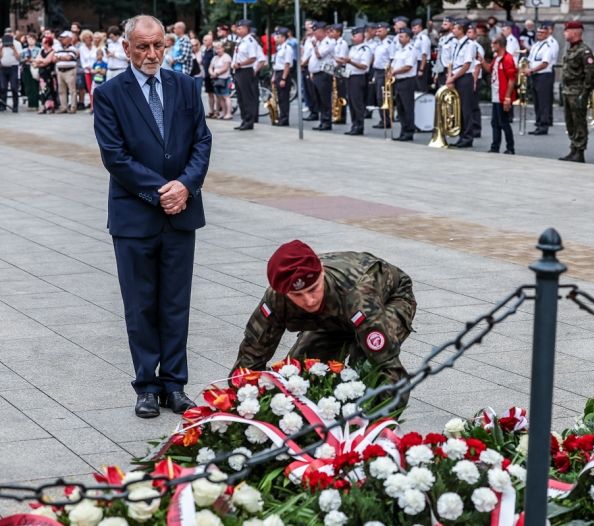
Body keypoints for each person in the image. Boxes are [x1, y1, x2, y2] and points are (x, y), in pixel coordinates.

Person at [92, 14, 212, 419]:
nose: (151, 53)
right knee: (140, 305)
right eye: (142, 46)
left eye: (158, 45)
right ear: (126, 48)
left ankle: (174, 385)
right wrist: (163, 191)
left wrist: (187, 186)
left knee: (175, 303)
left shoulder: (186, 86)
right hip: (134, 218)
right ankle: (146, 385)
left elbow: (202, 141)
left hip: (182, 213)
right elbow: (115, 156)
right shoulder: (110, 93)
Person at [232, 240, 416, 406]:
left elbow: (388, 371)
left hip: (390, 298)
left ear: (321, 271)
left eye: (313, 289)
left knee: (365, 364)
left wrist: (375, 430)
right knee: (299, 374)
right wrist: (245, 412)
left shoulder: (357, 293)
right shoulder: (276, 299)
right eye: (297, 295)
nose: (309, 300)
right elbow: (249, 360)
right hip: (335, 317)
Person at [558, 21, 594, 163]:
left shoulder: (584, 51)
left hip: (578, 91)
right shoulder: (571, 49)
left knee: (579, 122)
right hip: (568, 91)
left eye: (566, 31)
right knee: (570, 122)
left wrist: (584, 93)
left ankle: (580, 151)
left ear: (574, 32)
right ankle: (573, 147)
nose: (564, 33)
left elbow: (589, 74)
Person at [482, 35, 516, 154]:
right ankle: (495, 146)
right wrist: (482, 60)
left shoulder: (507, 59)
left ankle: (510, 148)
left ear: (499, 45)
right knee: (495, 122)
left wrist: (507, 97)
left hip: (502, 96)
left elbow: (512, 79)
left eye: (493, 43)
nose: (491, 45)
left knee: (504, 122)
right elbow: (489, 69)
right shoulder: (496, 58)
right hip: (496, 95)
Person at [446, 19, 476, 148]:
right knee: (457, 108)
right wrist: (449, 77)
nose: (453, 30)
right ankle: (461, 135)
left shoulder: (470, 44)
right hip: (455, 76)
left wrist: (453, 77)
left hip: (464, 78)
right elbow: (451, 63)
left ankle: (468, 137)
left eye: (455, 28)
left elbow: (466, 65)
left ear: (462, 30)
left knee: (466, 109)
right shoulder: (455, 44)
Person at [339, 26, 371, 135]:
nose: (353, 38)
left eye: (355, 35)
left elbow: (364, 66)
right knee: (351, 103)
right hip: (350, 77)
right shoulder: (352, 48)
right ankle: (354, 124)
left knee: (357, 103)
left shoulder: (365, 49)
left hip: (358, 78)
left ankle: (359, 126)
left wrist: (350, 62)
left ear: (362, 37)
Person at [390, 26, 418, 142]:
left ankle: (409, 132)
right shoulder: (399, 50)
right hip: (398, 80)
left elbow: (408, 66)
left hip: (407, 81)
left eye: (401, 36)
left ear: (408, 38)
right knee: (400, 108)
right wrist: (390, 70)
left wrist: (394, 71)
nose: (399, 39)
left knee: (407, 107)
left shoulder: (411, 50)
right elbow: (394, 63)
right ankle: (403, 130)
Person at [525, 23, 553, 135]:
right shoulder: (536, 45)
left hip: (544, 76)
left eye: (542, 32)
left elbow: (545, 63)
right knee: (537, 101)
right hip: (535, 75)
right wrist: (527, 67)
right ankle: (538, 123)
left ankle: (544, 125)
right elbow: (529, 59)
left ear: (547, 34)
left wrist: (532, 70)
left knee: (543, 102)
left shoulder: (548, 46)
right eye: (538, 32)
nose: (539, 34)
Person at [307, 21, 335, 131]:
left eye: (317, 31)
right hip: (317, 73)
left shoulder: (328, 42)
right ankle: (322, 120)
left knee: (324, 98)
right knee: (318, 98)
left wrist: (314, 46)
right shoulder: (319, 43)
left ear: (323, 32)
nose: (315, 34)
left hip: (324, 73)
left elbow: (319, 56)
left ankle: (327, 121)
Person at [231, 19, 258, 131]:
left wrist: (240, 64)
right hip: (238, 71)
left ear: (246, 29)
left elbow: (253, 58)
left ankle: (249, 121)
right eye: (237, 28)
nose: (237, 30)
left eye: (240, 28)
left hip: (245, 71)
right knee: (241, 98)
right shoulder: (240, 40)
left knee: (247, 98)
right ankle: (244, 120)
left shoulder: (250, 41)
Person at [372, 22, 392, 129]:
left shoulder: (389, 43)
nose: (377, 33)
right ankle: (383, 119)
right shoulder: (378, 44)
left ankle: (386, 119)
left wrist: (389, 72)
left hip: (385, 72)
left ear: (386, 30)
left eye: (380, 31)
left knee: (383, 97)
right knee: (379, 97)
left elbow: (391, 58)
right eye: (377, 31)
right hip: (377, 71)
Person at [272, 27, 293, 126]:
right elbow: (276, 63)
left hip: (283, 73)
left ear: (284, 38)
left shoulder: (287, 48)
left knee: (284, 98)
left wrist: (283, 78)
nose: (276, 38)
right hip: (278, 73)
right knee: (279, 97)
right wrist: (274, 76)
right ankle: (281, 117)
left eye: (278, 36)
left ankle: (284, 119)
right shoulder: (279, 48)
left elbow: (287, 64)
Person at [54, 31, 79, 113]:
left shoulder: (73, 49)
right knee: (61, 90)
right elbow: (53, 59)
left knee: (72, 90)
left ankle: (73, 107)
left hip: (70, 71)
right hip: (60, 71)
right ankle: (63, 107)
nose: (61, 40)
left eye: (64, 38)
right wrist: (62, 57)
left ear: (69, 39)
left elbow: (68, 58)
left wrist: (59, 57)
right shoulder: (58, 48)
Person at [329, 24, 348, 125]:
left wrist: (333, 58)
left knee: (341, 93)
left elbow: (341, 59)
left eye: (333, 31)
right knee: (334, 93)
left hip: (340, 69)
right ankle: (335, 114)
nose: (331, 33)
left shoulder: (343, 43)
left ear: (339, 33)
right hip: (333, 69)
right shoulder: (332, 43)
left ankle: (342, 116)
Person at [0, 27, 22, 112]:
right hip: (3, 68)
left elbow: (19, 58)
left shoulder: (17, 43)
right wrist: (1, 48)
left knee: (14, 87)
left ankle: (15, 106)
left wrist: (13, 48)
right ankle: (2, 105)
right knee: (2, 87)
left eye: (9, 33)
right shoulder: (0, 42)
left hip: (13, 67)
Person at [209, 42, 232, 119]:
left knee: (226, 96)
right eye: (216, 49)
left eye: (219, 48)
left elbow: (225, 68)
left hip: (225, 79)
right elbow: (210, 67)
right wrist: (212, 73)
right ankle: (223, 112)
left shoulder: (226, 57)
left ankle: (229, 113)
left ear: (223, 48)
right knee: (220, 97)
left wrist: (216, 73)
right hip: (216, 79)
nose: (217, 50)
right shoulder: (215, 58)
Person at [34, 36, 57, 113]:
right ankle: (43, 106)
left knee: (50, 90)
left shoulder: (53, 51)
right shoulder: (41, 51)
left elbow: (47, 61)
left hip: (49, 74)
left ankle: (50, 107)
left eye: (44, 42)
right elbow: (36, 61)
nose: (42, 44)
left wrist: (40, 62)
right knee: (42, 91)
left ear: (48, 43)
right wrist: (41, 62)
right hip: (42, 74)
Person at [21, 33, 40, 111]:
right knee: (28, 86)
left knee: (35, 86)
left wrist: (33, 59)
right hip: (26, 68)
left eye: (32, 39)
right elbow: (20, 60)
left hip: (35, 67)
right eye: (28, 39)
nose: (30, 41)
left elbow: (40, 58)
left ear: (35, 40)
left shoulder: (39, 49)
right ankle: (30, 103)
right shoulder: (24, 50)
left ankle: (35, 104)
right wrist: (25, 60)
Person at [78, 29, 96, 111]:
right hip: (87, 71)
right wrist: (87, 67)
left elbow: (98, 58)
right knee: (90, 89)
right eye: (85, 38)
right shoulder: (81, 48)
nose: (87, 39)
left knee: (97, 88)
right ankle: (92, 106)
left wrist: (94, 68)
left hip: (96, 71)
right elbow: (82, 60)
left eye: (88, 37)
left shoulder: (95, 46)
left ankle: (98, 106)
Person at [411, 19, 431, 92]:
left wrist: (421, 69)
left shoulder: (423, 38)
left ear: (420, 27)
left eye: (415, 28)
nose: (413, 30)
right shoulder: (415, 38)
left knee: (421, 85)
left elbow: (424, 54)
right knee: (416, 86)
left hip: (422, 63)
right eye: (412, 28)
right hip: (416, 63)